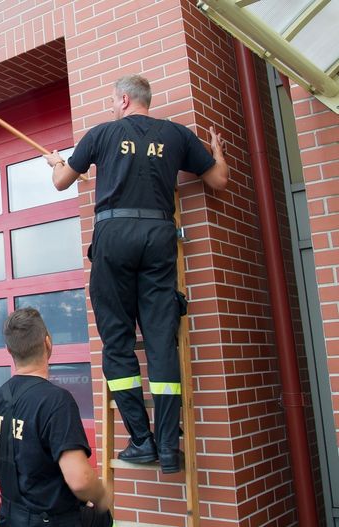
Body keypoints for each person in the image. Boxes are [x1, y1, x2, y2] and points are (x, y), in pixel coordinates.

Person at [43, 75, 229, 474]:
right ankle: (169, 445)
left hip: (114, 236)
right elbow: (218, 180)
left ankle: (142, 441)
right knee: (161, 341)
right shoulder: (176, 135)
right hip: (159, 236)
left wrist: (58, 162)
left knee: (117, 341)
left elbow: (61, 182)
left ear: (124, 99)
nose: (113, 107)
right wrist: (216, 151)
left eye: (113, 101)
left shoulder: (101, 134)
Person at [0, 307, 112, 526]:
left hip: (10, 518)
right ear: (48, 343)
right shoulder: (56, 401)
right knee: (103, 519)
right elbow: (80, 480)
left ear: (9, 349)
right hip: (51, 520)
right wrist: (102, 496)